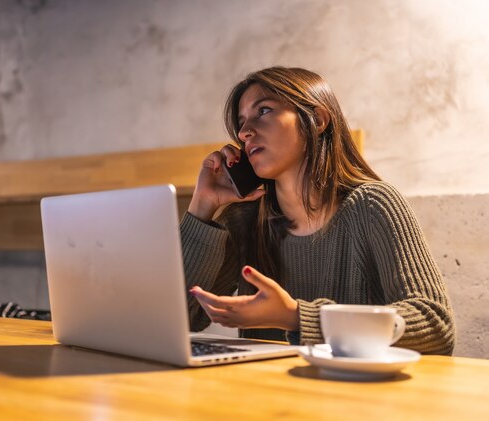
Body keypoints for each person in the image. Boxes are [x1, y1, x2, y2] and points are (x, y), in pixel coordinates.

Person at [182, 66, 455, 355]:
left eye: (263, 111)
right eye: (241, 122)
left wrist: (296, 317)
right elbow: (182, 316)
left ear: (317, 118)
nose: (245, 132)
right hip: (263, 393)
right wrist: (203, 203)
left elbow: (435, 325)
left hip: (357, 394)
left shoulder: (373, 204)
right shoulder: (244, 220)